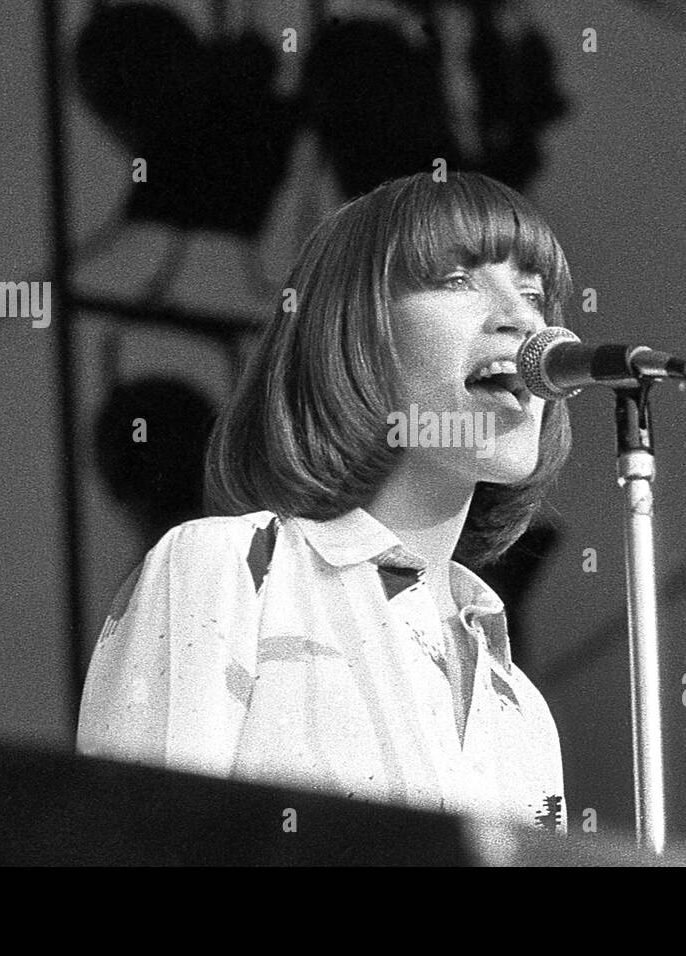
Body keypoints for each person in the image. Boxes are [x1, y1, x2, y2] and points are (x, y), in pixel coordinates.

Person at [77, 170, 574, 835]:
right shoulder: (224, 572)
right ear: (355, 333)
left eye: (536, 293)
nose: (521, 318)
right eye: (457, 281)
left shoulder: (523, 708)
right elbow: (138, 846)